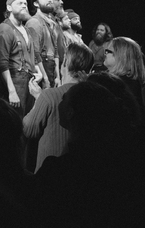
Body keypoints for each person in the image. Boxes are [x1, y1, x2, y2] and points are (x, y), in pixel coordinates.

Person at [23, 43, 94, 172]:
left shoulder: (49, 96)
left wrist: (38, 99)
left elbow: (28, 129)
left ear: (65, 63)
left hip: (49, 173)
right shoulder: (93, 96)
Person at [0, 0, 43, 118]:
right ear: (9, 8)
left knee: (29, 120)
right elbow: (2, 63)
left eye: (25, 3)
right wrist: (11, 91)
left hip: (30, 81)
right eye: (19, 3)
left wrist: (39, 73)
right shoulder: (5, 28)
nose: (24, 6)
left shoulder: (26, 30)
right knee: (15, 121)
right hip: (15, 81)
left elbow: (33, 56)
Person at [26, 0, 61, 87]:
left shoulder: (52, 23)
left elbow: (56, 51)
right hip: (42, 67)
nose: (49, 0)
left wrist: (57, 76)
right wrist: (44, 77)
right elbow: (35, 53)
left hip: (52, 66)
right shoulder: (34, 22)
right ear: (36, 4)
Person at [104, 36, 145, 105]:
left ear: (121, 56)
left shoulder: (125, 86)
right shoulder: (115, 81)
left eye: (108, 51)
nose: (105, 54)